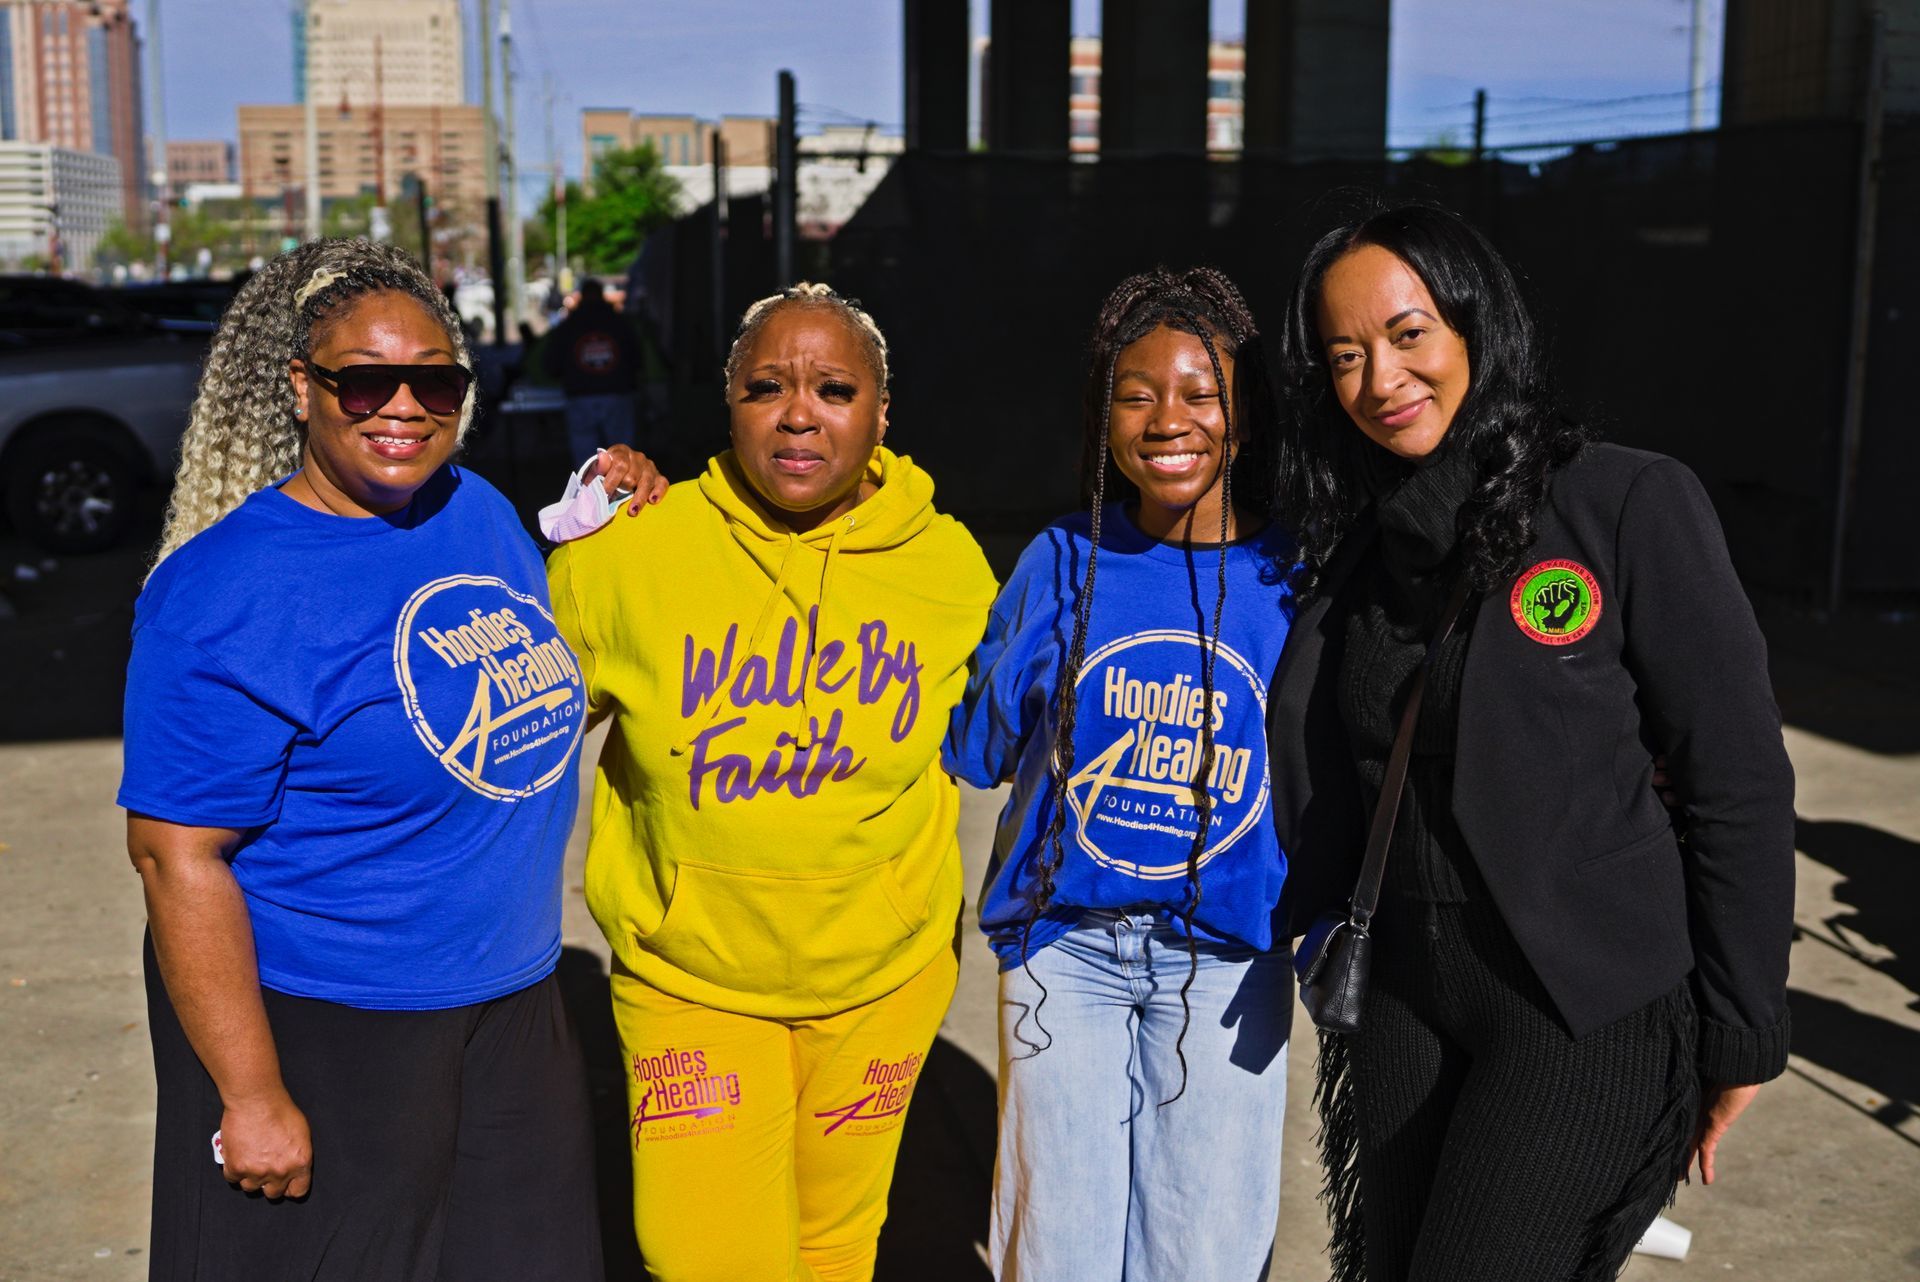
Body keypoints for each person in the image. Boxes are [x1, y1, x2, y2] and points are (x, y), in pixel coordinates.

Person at [1266, 203, 1796, 1281]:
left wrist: (1744, 1028)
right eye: (1347, 355)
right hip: (1403, 998)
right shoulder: (1356, 548)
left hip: (1584, 1004)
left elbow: (1734, 777)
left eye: (1409, 335)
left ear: (1476, 326)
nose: (1381, 380)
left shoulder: (1623, 502)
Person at [121, 238, 604, 1281]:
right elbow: (175, 858)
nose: (402, 406)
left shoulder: (473, 509)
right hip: (331, 1020)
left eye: (434, 380)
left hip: (510, 999)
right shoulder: (224, 593)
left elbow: (520, 705)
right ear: (303, 387)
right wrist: (251, 1096)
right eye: (365, 380)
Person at [545, 283, 998, 1281]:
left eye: (835, 388)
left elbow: (1005, 739)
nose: (799, 412)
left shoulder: (952, 569)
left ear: (881, 414)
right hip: (691, 984)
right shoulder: (630, 550)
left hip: (883, 982)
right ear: (728, 402)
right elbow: (512, 737)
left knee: (836, 1246)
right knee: (702, 1256)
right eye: (767, 387)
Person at [944, 268, 1297, 1281]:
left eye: (1200, 391)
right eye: (1136, 393)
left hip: (1229, 964)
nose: (1167, 417)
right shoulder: (1063, 560)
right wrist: (1004, 669)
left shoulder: (1293, 577)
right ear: (1103, 415)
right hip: (1069, 957)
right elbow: (975, 752)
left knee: (1206, 1259)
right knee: (1058, 1255)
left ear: (1245, 412)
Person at [543, 276, 641, 462]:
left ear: (582, 297)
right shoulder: (620, 323)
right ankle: (625, 491)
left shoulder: (568, 326)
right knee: (623, 460)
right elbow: (636, 359)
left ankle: (587, 491)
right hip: (617, 395)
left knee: (586, 464)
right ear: (602, 295)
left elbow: (551, 364)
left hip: (580, 397)